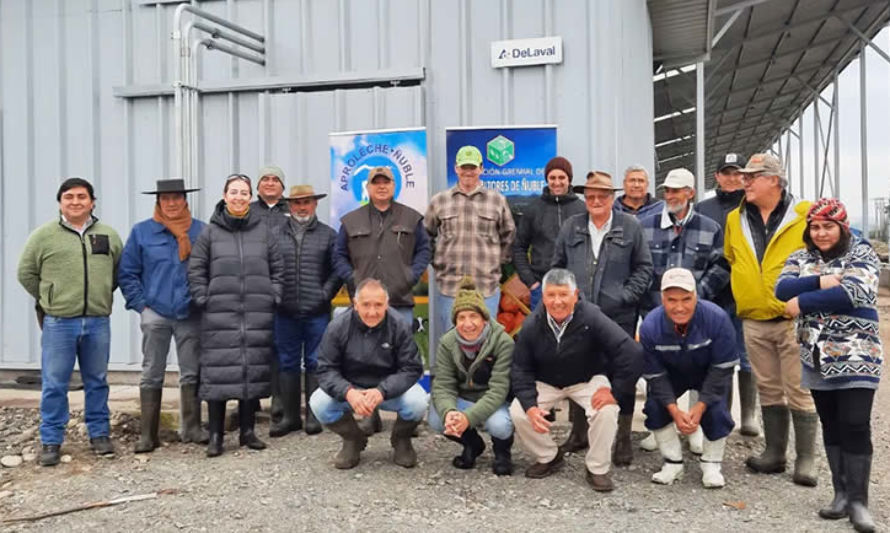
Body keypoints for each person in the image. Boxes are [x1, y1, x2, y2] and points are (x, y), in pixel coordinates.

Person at [776, 198, 882, 532]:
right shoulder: (800, 257)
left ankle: (859, 502)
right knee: (832, 424)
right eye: (815, 227)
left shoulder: (861, 253)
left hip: (857, 353)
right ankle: (840, 494)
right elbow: (782, 288)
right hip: (817, 355)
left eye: (828, 226)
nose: (820, 233)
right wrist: (821, 282)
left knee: (855, 423)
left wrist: (802, 302)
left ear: (842, 227)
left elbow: (855, 291)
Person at [724, 153, 817, 486]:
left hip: (793, 318)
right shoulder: (735, 218)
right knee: (768, 387)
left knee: (799, 388)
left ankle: (806, 460)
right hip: (753, 319)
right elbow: (732, 257)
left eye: (753, 176)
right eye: (744, 176)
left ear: (775, 180)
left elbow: (826, 252)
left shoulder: (804, 214)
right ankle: (775, 453)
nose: (744, 181)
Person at [17, 177, 123, 466]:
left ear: (92, 201)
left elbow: (116, 272)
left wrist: (100, 295)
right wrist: (49, 298)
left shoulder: (108, 235)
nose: (75, 202)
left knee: (97, 381)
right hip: (59, 323)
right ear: (60, 202)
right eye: (69, 197)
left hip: (98, 322)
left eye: (81, 196)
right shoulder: (43, 236)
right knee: (54, 383)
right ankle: (51, 440)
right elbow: (26, 272)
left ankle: (99, 434)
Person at [551, 170, 653, 465]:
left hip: (618, 317)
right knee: (577, 369)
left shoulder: (630, 226)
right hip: (578, 314)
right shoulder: (571, 227)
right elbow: (557, 267)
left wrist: (624, 297)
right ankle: (580, 433)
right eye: (590, 196)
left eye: (601, 196)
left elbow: (644, 269)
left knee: (622, 373)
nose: (595, 200)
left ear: (612, 198)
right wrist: (567, 300)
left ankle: (622, 439)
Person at [510, 268, 643, 491]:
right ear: (543, 297)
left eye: (563, 295)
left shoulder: (592, 316)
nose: (557, 301)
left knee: (607, 410)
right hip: (547, 381)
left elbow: (632, 353)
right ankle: (549, 456)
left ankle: (597, 468)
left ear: (575, 294)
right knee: (519, 411)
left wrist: (615, 392)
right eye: (551, 295)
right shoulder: (532, 324)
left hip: (587, 378)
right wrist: (530, 406)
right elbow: (521, 369)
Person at [188, 174, 285, 458]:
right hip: (219, 314)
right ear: (225, 195)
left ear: (250, 196)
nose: (239, 197)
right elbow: (196, 269)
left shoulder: (263, 231)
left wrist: (273, 295)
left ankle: (247, 431)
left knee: (250, 371)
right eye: (234, 192)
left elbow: (277, 268)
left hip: (256, 313)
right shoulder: (210, 232)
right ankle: (216, 435)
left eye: (244, 193)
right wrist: (204, 298)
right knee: (218, 374)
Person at [118, 178, 207, 453]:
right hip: (155, 312)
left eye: (176, 198)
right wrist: (141, 306)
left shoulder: (201, 231)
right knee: (151, 372)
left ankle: (191, 427)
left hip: (189, 313)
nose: (171, 203)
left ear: (185, 201)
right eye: (165, 199)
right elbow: (127, 272)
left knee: (191, 371)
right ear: (158, 202)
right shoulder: (142, 232)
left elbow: (210, 270)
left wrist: (201, 301)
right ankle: (149, 434)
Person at [309, 279, 428, 469]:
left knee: (418, 401)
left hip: (387, 391)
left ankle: (401, 440)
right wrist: (348, 392)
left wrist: (382, 391)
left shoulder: (399, 325)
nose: (372, 312)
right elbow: (325, 369)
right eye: (366, 305)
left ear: (387, 304)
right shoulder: (337, 327)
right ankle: (353, 439)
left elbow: (411, 368)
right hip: (352, 390)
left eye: (378, 305)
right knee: (318, 403)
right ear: (355, 304)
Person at [641, 268, 737, 488]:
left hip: (708, 372)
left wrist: (700, 406)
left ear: (696, 296)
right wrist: (674, 410)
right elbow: (655, 376)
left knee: (717, 408)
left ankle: (712, 464)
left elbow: (722, 369)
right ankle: (672, 462)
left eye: (686, 299)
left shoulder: (717, 319)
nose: (679, 307)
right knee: (656, 405)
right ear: (662, 299)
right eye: (672, 300)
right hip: (671, 374)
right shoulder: (650, 327)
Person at [425, 145, 516, 352]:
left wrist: (494, 264)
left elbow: (508, 235)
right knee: (452, 345)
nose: (468, 172)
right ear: (456, 168)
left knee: (486, 345)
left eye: (472, 167)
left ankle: (484, 384)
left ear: (481, 168)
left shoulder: (497, 200)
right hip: (450, 288)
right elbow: (425, 236)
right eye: (463, 167)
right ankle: (453, 385)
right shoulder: (439, 201)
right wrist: (439, 264)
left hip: (485, 287)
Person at [269, 185, 342, 437]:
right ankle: (290, 417)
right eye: (297, 202)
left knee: (315, 361)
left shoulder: (329, 235)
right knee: (287, 362)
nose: (302, 207)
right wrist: (276, 296)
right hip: (284, 311)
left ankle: (314, 415)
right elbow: (267, 268)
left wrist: (325, 294)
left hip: (317, 311)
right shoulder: (275, 234)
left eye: (307, 202)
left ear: (315, 204)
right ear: (289, 205)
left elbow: (337, 270)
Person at [696, 153, 759, 437]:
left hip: (744, 295)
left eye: (737, 173)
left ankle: (748, 416)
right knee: (715, 358)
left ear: (745, 176)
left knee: (746, 358)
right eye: (726, 173)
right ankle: (721, 415)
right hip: (710, 296)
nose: (732, 178)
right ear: (717, 177)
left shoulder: (755, 207)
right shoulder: (703, 208)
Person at [430, 277, 515, 475]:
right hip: (464, 397)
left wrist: (467, 417)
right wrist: (450, 412)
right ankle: (473, 445)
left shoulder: (503, 342)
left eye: (473, 316)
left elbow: (499, 390)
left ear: (484, 318)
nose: (468, 324)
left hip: (494, 400)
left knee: (500, 425)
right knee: (437, 417)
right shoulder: (447, 343)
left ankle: (503, 453)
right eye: (461, 317)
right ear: (455, 321)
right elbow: (443, 385)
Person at [511, 156, 586, 310]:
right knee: (543, 333)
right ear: (546, 179)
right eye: (552, 178)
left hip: (576, 288)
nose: (557, 182)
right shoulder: (534, 209)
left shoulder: (583, 209)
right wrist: (531, 282)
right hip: (543, 287)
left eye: (561, 177)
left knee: (577, 333)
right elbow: (519, 247)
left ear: (569, 179)